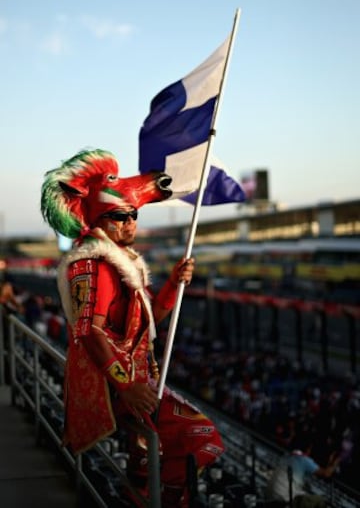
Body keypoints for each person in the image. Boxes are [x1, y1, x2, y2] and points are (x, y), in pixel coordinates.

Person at [41, 149, 224, 507]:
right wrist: (125, 385)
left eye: (133, 215)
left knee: (144, 466)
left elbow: (148, 322)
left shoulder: (117, 263)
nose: (129, 224)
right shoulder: (95, 265)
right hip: (122, 389)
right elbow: (88, 332)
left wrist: (173, 282)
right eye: (118, 217)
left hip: (137, 383)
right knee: (205, 440)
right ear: (97, 219)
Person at [265, 434, 340, 508]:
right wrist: (335, 462)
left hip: (270, 496)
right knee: (319, 500)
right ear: (308, 449)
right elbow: (326, 474)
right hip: (283, 500)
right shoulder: (304, 460)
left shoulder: (287, 456)